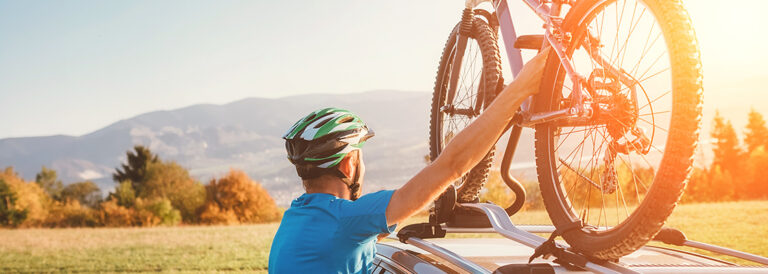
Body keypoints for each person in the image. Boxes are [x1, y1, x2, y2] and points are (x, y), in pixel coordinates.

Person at [268, 48, 550, 273]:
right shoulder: (345, 220)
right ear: (347, 165)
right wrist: (520, 88)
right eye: (360, 157)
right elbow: (452, 164)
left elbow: (355, 240)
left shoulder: (296, 220)